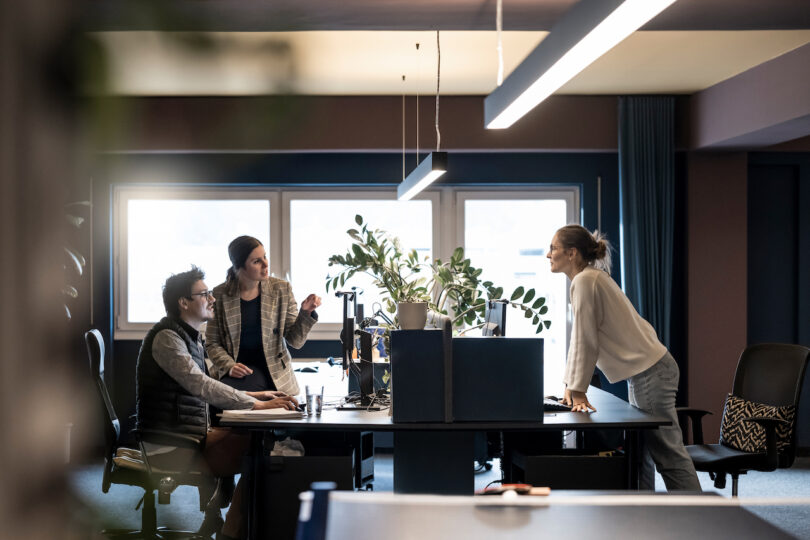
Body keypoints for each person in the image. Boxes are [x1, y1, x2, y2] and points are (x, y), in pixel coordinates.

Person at [135, 266, 298, 539]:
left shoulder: (189, 337)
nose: (212, 299)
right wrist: (256, 406)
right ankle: (231, 531)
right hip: (168, 444)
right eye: (204, 294)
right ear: (183, 302)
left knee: (251, 437)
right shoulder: (167, 339)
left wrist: (258, 396)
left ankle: (217, 518)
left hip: (185, 435)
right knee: (258, 451)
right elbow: (201, 385)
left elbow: (207, 382)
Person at [547, 224, 701, 492]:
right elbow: (580, 338)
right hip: (647, 372)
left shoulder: (585, 281)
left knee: (668, 454)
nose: (548, 254)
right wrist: (571, 387)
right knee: (640, 452)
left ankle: (700, 515)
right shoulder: (588, 278)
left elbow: (585, 339)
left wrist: (578, 389)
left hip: (650, 372)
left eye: (553, 248)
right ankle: (641, 510)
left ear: (572, 253)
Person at [206, 235, 321, 396]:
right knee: (221, 394)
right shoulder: (219, 294)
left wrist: (306, 313)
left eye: (265, 257)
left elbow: (295, 341)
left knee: (227, 396)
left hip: (273, 373)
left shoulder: (281, 289)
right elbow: (212, 343)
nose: (266, 264)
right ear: (239, 266)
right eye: (256, 261)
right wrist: (229, 366)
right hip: (235, 373)